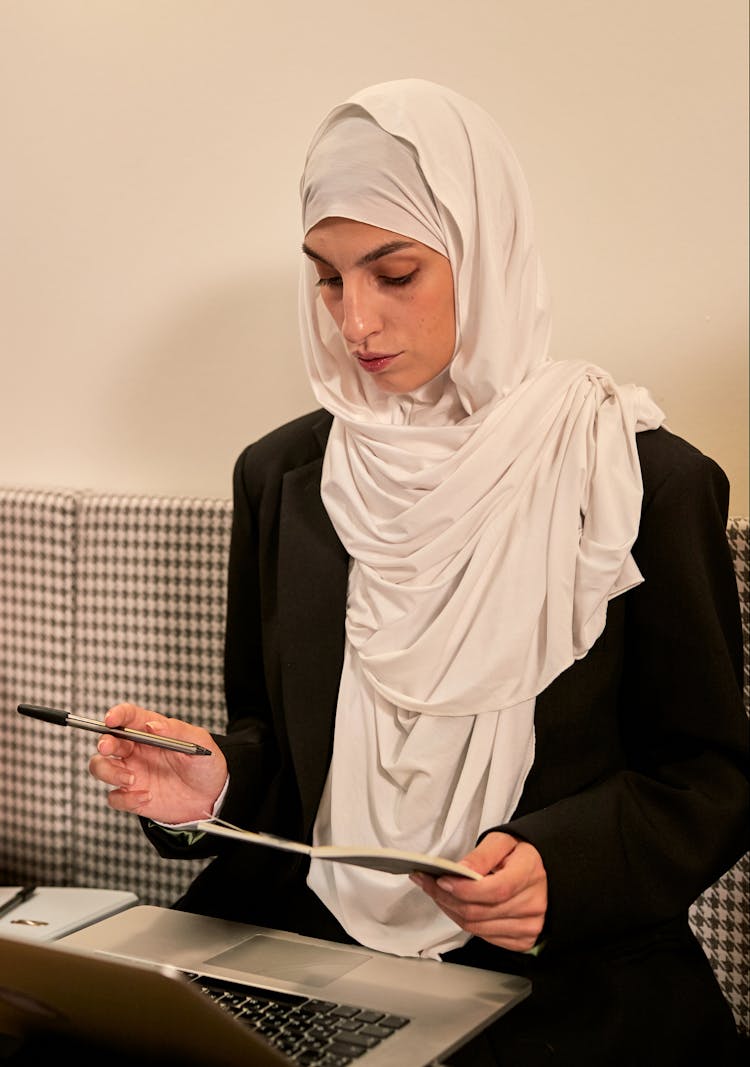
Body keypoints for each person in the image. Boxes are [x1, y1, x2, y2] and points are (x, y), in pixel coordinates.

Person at [88, 79, 748, 1065]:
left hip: (558, 978)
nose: (356, 321)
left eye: (395, 273)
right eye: (327, 278)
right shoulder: (282, 477)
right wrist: (216, 784)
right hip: (309, 949)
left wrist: (555, 867)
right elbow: (286, 751)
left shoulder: (637, 478)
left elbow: (710, 777)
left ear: (485, 255)